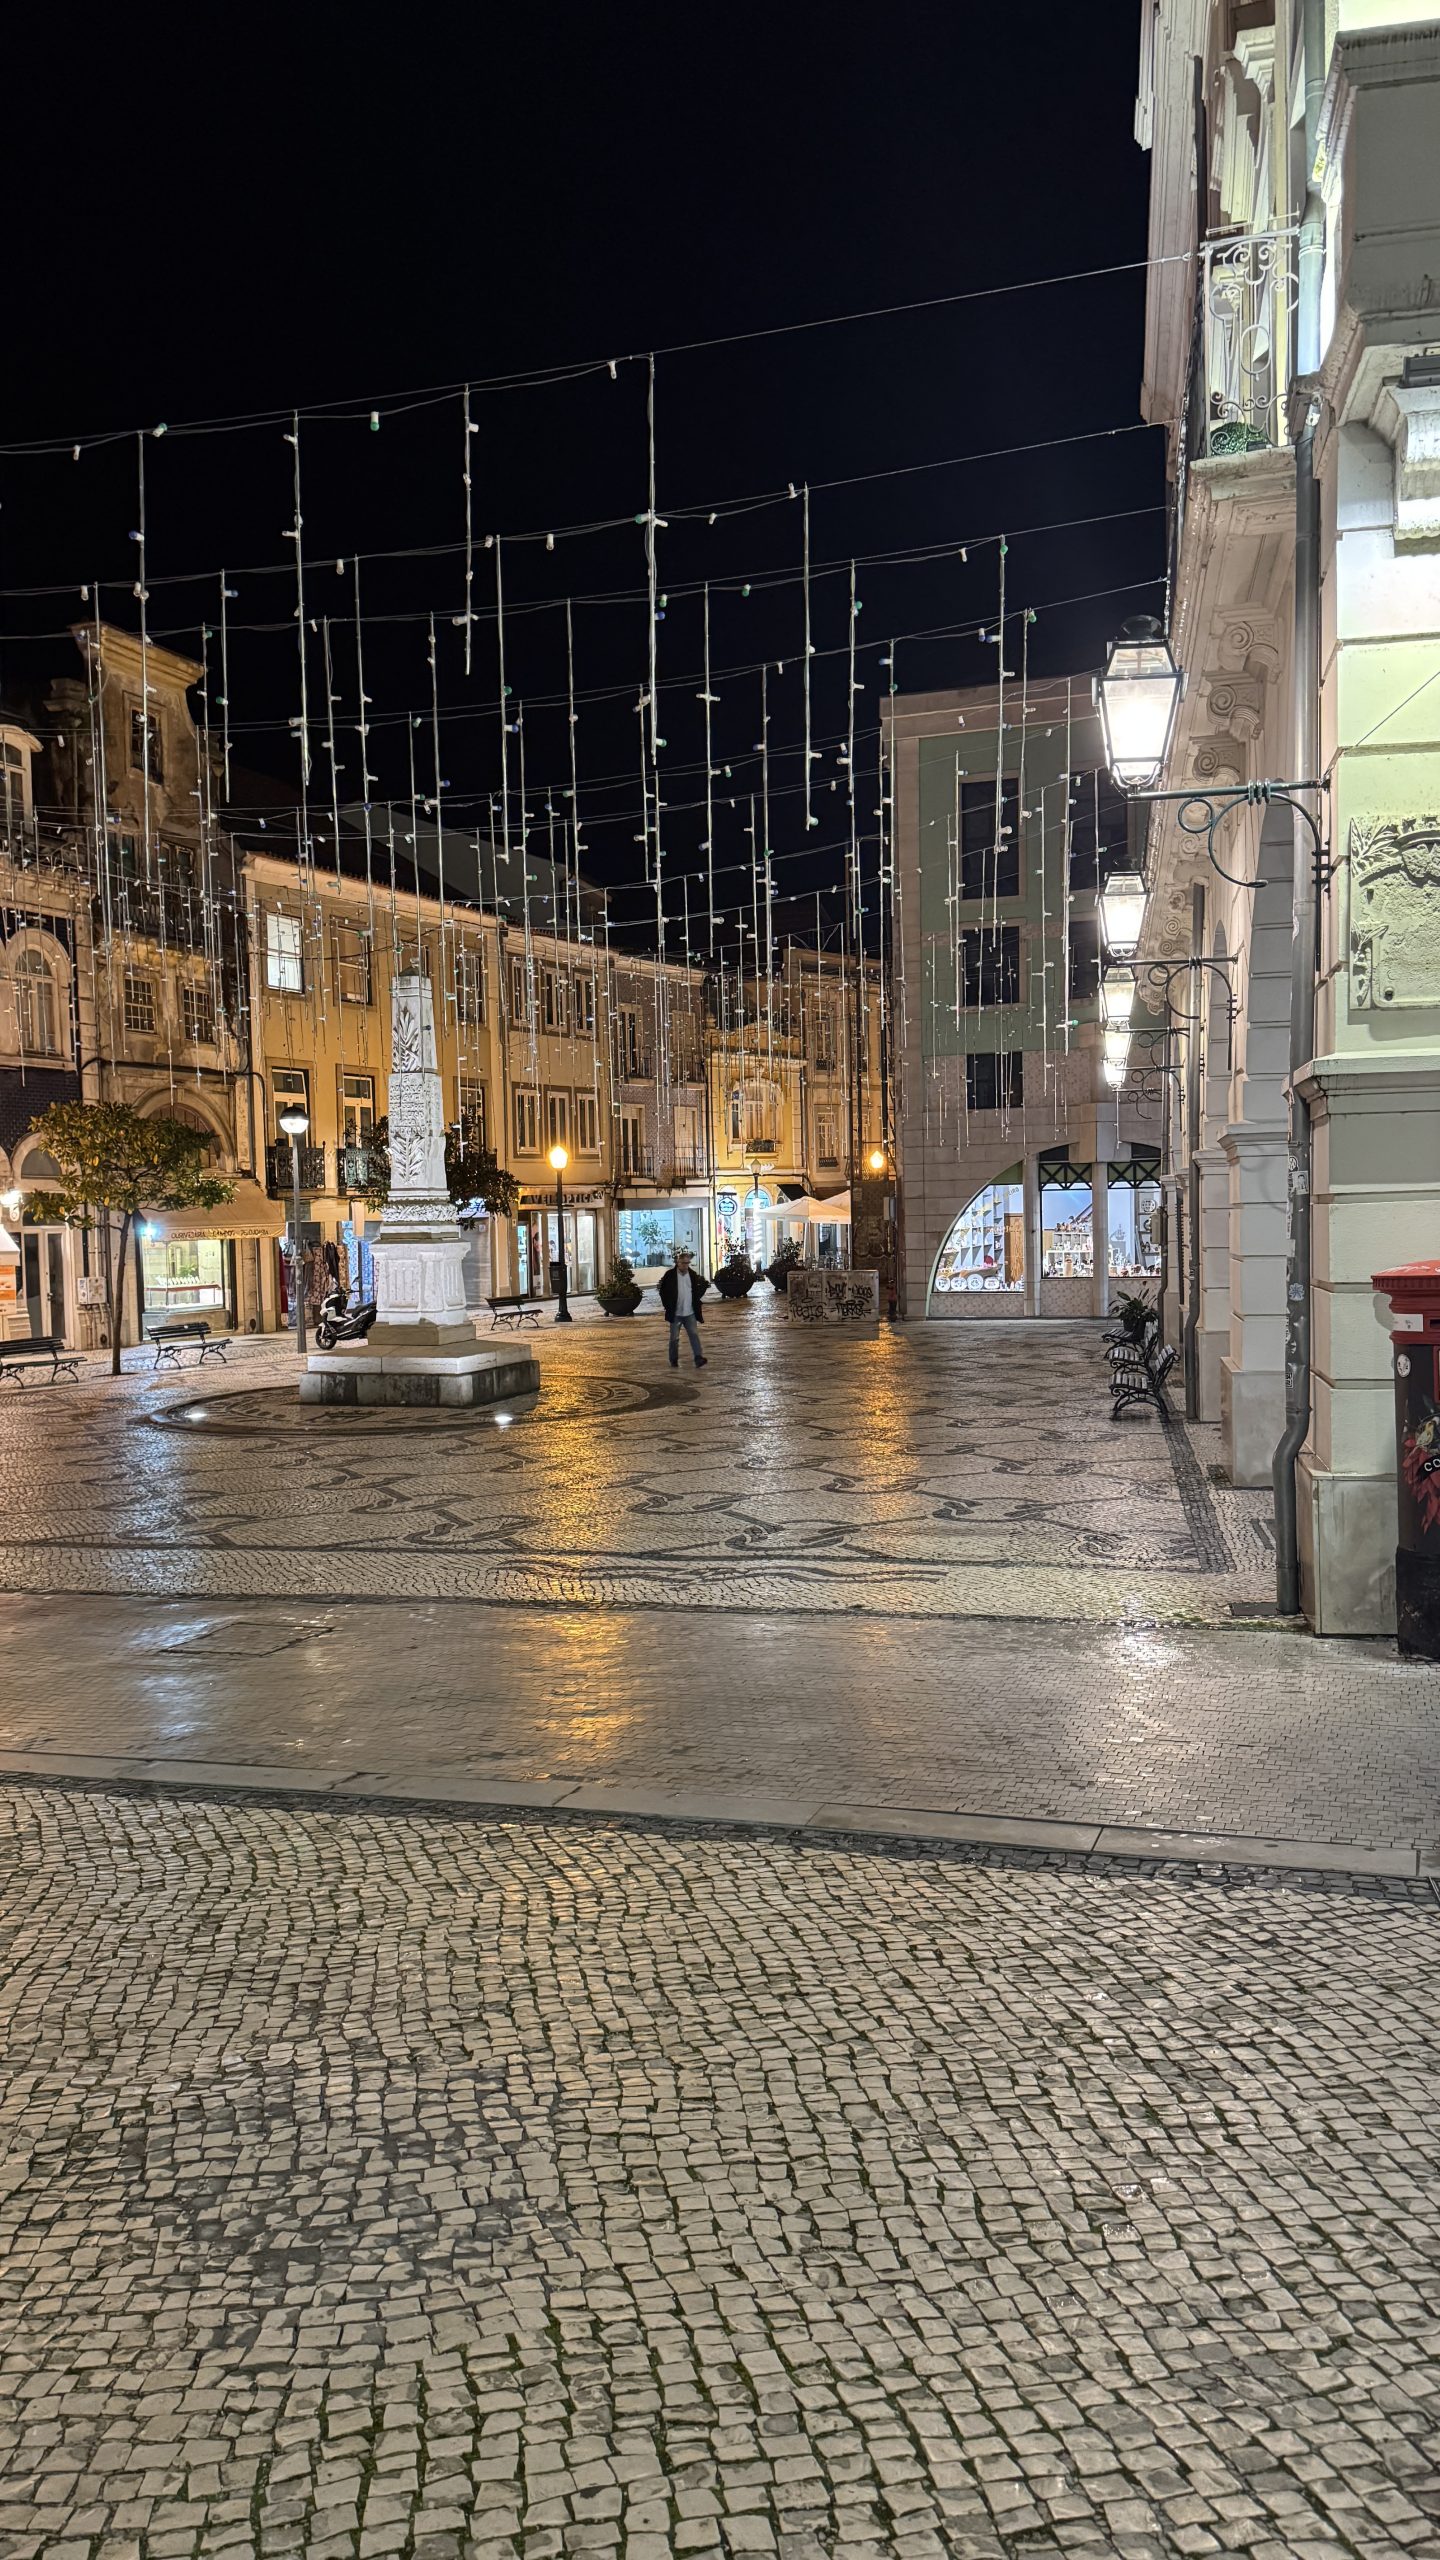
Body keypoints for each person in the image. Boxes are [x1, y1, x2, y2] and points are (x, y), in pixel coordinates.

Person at [657, 1245, 710, 1369]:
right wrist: (667, 1306)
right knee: (674, 1338)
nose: (686, 1265)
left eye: (687, 1263)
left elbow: (696, 1291)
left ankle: (698, 1358)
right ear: (678, 1262)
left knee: (694, 1334)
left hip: (689, 1312)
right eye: (683, 1263)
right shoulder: (670, 1275)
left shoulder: (692, 1275)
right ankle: (673, 1359)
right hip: (676, 1312)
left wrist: (697, 1303)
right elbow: (663, 1291)